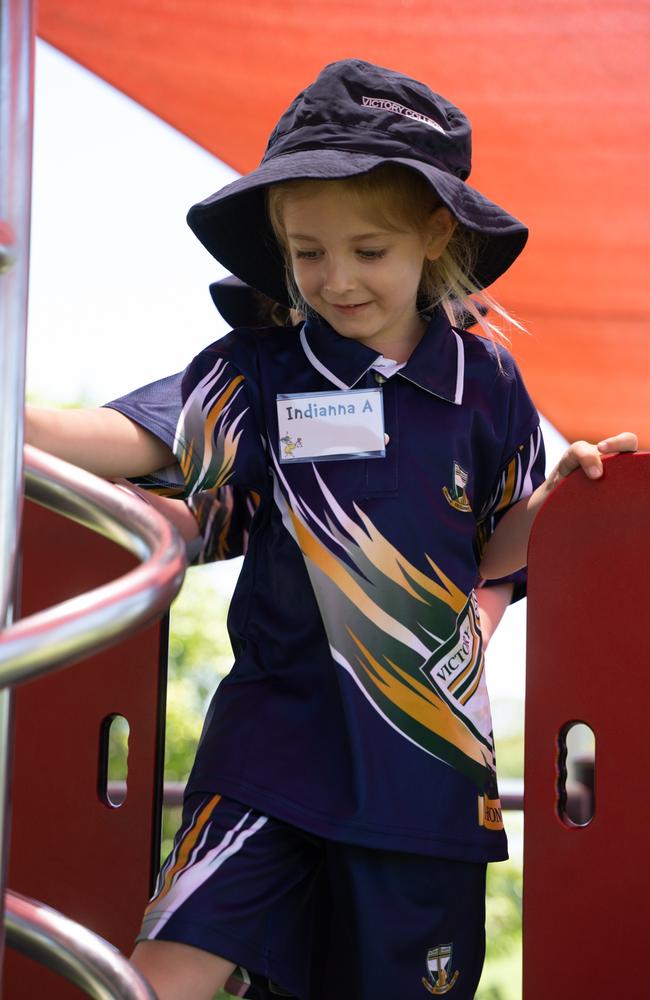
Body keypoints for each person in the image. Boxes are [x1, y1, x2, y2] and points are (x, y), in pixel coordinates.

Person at [26, 59, 636, 1000]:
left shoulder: (488, 384)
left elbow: (504, 542)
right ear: (278, 245)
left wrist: (569, 502)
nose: (337, 279)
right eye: (309, 253)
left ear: (435, 236)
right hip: (268, 754)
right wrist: (16, 424)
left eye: (368, 250)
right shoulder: (259, 372)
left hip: (423, 770)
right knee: (161, 976)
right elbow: (131, 436)